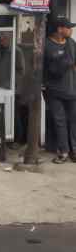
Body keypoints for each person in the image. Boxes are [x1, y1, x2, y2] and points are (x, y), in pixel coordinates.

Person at [44, 17, 76, 164]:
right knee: (59, 121)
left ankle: (74, 151)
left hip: (72, 90)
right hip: (54, 90)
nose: (71, 30)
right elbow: (46, 69)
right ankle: (63, 152)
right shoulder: (47, 45)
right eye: (68, 27)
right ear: (59, 29)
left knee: (73, 121)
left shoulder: (71, 43)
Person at [0, 33, 27, 143]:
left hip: (12, 89)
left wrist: (9, 84)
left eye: (5, 38)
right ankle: (2, 139)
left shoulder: (16, 51)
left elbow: (21, 71)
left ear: (10, 39)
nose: (2, 40)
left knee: (14, 114)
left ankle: (17, 140)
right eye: (1, 38)